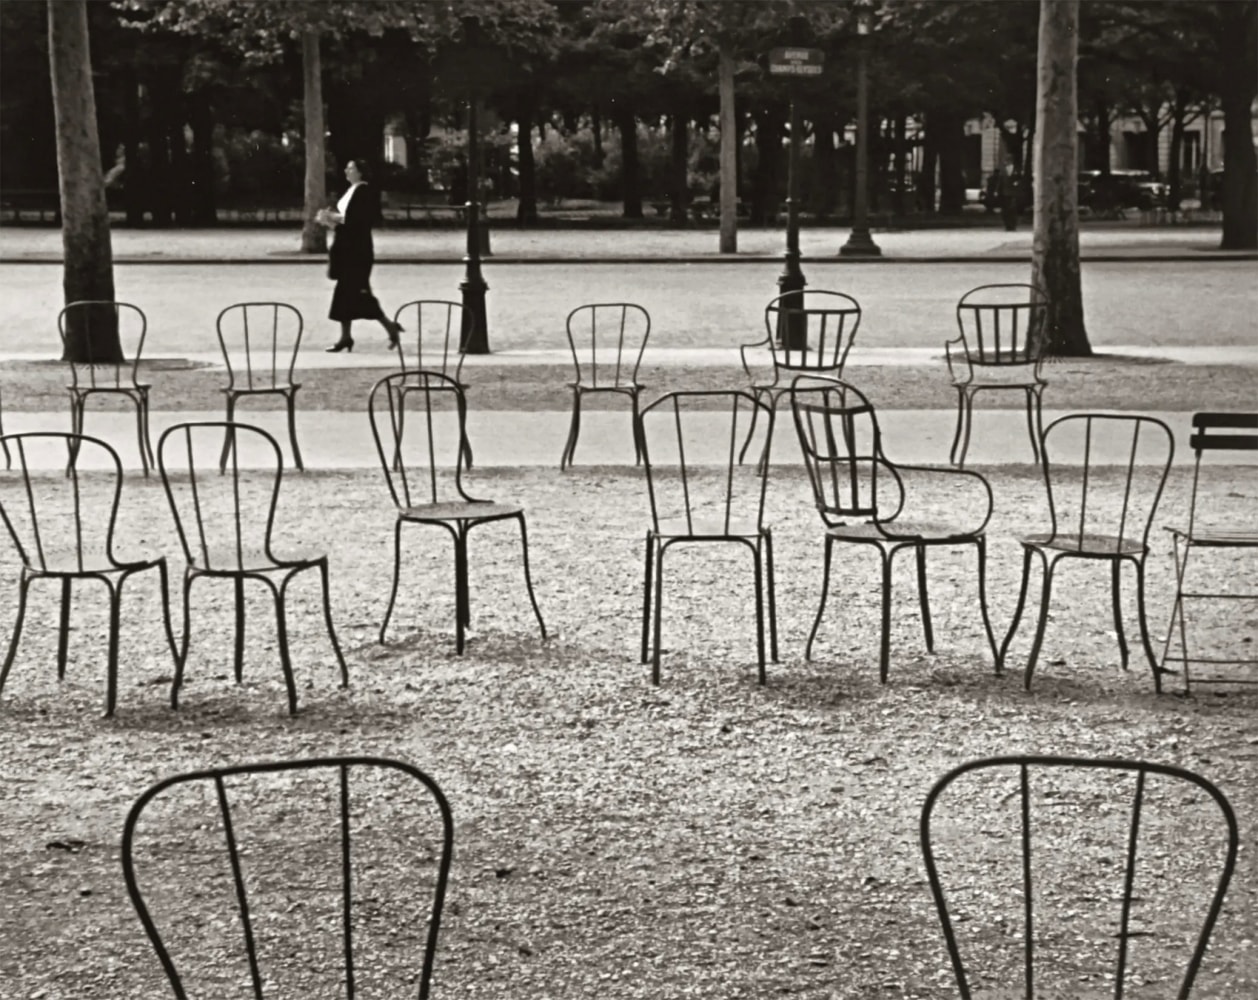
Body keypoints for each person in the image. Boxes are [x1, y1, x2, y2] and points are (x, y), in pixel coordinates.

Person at [319, 158, 403, 353]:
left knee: (359, 292)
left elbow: (359, 220)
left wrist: (333, 218)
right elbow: (347, 220)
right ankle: (347, 337)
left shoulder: (364, 191)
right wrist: (332, 220)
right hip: (348, 247)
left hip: (357, 250)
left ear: (360, 172)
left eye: (350, 168)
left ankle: (389, 327)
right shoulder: (351, 190)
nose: (346, 171)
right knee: (346, 292)